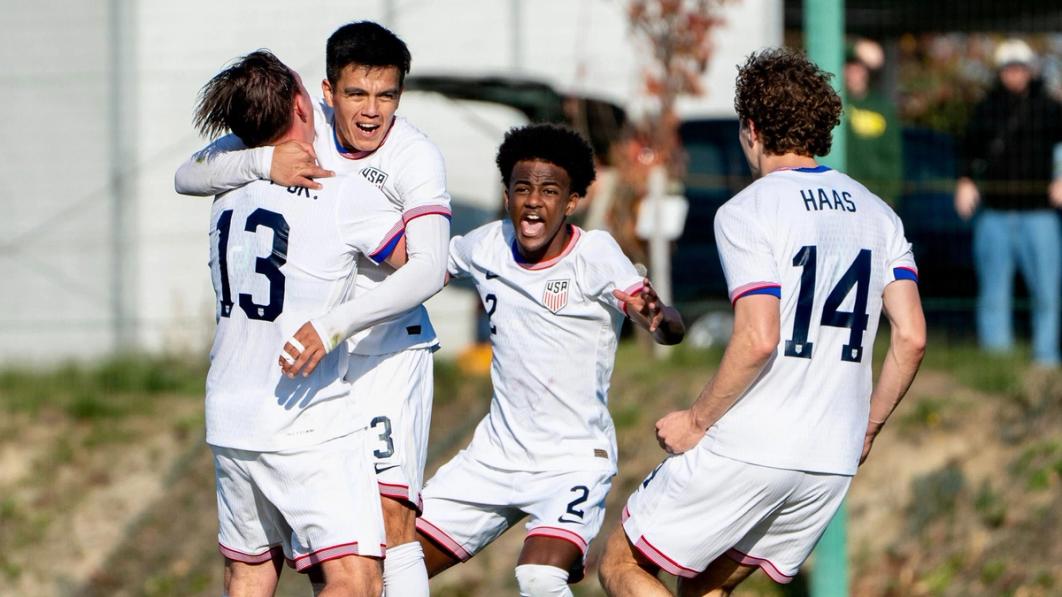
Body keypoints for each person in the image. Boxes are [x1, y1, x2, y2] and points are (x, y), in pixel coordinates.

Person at [598, 48, 927, 596]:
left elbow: (758, 336)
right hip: (831, 456)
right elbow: (911, 339)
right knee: (706, 587)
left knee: (620, 562)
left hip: (754, 445)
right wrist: (866, 428)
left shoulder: (748, 210)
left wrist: (696, 421)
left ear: (751, 128)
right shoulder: (878, 213)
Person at [174, 21, 450, 595]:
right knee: (345, 565)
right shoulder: (297, 135)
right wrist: (261, 163)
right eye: (357, 94)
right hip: (308, 370)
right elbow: (187, 173)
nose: (372, 112)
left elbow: (429, 267)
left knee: (390, 524)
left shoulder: (415, 155)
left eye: (387, 96)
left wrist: (336, 322)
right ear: (324, 93)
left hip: (384, 353)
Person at [413, 124, 685, 596]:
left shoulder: (595, 254)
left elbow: (662, 319)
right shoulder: (486, 245)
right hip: (494, 458)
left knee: (538, 577)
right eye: (523, 188)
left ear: (572, 201)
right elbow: (418, 268)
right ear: (506, 195)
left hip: (573, 461)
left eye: (549, 190)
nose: (534, 201)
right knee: (392, 568)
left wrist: (659, 318)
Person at [954, 38, 1062, 367]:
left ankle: (1046, 358)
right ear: (1000, 72)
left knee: (1047, 293)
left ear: (1030, 70)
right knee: (993, 293)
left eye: (1020, 68)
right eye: (1008, 68)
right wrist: (965, 180)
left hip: (1040, 215)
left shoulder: (1049, 109)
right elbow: (967, 152)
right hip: (995, 214)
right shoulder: (985, 110)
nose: (1014, 74)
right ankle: (996, 362)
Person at [843, 38, 903, 205]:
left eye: (859, 67)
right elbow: (820, 57)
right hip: (842, 195)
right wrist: (855, 47)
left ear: (866, 71)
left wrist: (889, 196)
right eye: (849, 67)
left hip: (876, 197)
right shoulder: (836, 103)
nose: (854, 72)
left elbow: (893, 157)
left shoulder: (882, 108)